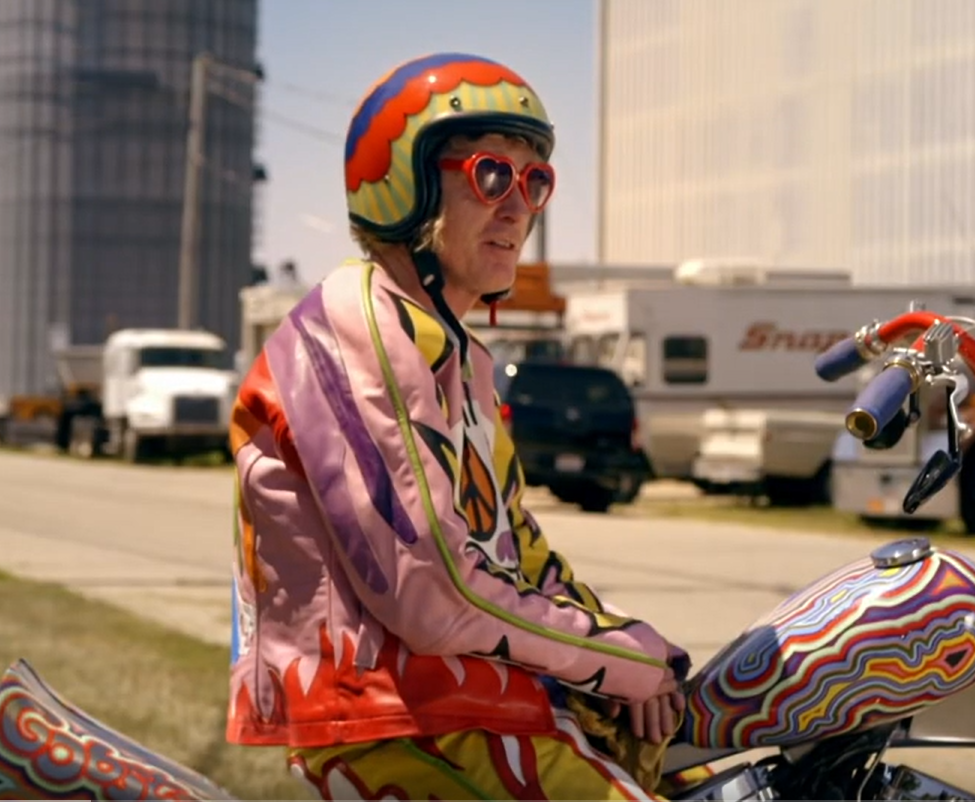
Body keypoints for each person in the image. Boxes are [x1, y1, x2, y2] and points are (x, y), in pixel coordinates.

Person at [225, 52, 696, 800]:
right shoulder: (355, 327)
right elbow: (433, 597)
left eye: (535, 181)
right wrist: (624, 660)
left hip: (475, 703)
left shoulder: (457, 356)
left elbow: (518, 550)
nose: (519, 209)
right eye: (491, 175)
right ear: (401, 185)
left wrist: (627, 642)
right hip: (397, 723)